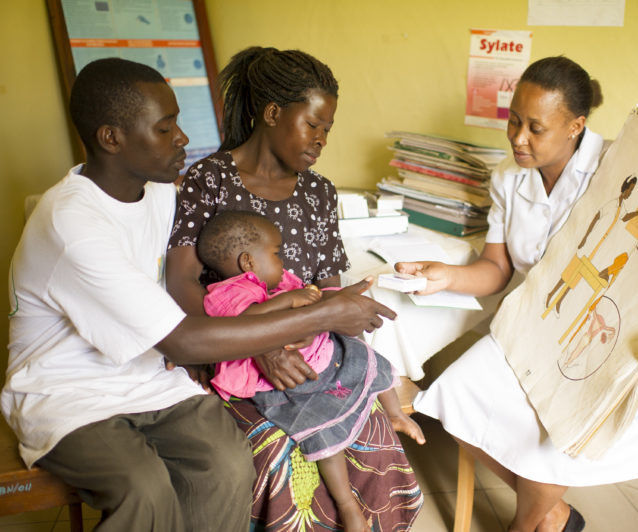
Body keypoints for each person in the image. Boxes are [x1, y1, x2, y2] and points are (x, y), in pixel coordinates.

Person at [2, 57, 395, 532]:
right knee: (143, 488)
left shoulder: (161, 194)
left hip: (148, 377)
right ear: (112, 139)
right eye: (166, 129)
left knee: (228, 465)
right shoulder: (72, 224)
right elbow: (184, 340)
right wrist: (320, 315)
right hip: (66, 392)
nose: (182, 139)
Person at [397, 56, 638, 532]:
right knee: (452, 393)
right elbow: (496, 269)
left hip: (615, 338)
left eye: (536, 127)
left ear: (576, 125)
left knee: (553, 427)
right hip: (537, 330)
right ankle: (553, 515)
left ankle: (527, 526)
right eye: (513, 121)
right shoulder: (508, 181)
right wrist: (445, 275)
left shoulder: (627, 170)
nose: (517, 138)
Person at [166, 47, 422, 530]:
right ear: (272, 113)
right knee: (276, 446)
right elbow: (180, 279)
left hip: (311, 351)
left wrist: (338, 324)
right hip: (229, 357)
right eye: (314, 124)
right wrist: (255, 345)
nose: (323, 138)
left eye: (328, 128)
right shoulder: (210, 179)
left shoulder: (318, 192)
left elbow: (329, 292)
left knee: (369, 426)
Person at [196, 210, 424, 531]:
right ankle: (347, 507)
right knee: (321, 434)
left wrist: (341, 298)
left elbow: (318, 302)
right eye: (276, 253)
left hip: (324, 357)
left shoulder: (281, 282)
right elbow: (247, 321)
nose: (282, 259)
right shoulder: (227, 294)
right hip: (287, 384)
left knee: (368, 358)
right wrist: (290, 300)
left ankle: (395, 414)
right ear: (248, 261)